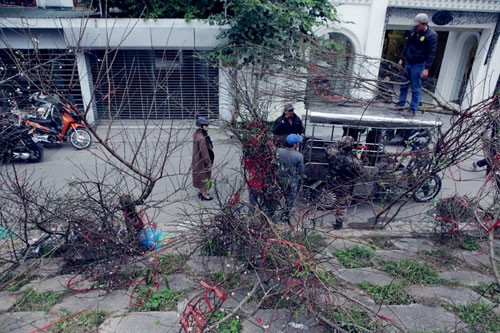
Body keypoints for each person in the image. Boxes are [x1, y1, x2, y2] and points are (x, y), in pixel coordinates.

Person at [395, 13, 438, 117]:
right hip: (408, 61)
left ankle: (413, 109)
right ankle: (401, 103)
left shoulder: (431, 36)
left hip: (419, 64)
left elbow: (431, 53)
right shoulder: (413, 31)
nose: (415, 27)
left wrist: (426, 68)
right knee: (403, 84)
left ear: (424, 24)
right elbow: (407, 45)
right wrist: (401, 58)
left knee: (415, 87)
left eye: (417, 26)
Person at [325, 136, 367, 229]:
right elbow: (361, 173)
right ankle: (338, 223)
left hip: (332, 181)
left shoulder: (332, 153)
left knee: (331, 199)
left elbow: (329, 147)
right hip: (345, 186)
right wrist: (358, 158)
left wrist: (340, 142)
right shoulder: (354, 161)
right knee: (341, 205)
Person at [276, 134, 305, 222]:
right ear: (295, 144)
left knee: (277, 196)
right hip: (291, 180)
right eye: (298, 143)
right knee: (290, 198)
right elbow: (301, 171)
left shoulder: (278, 151)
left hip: (278, 178)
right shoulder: (298, 156)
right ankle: (284, 216)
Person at [192, 117, 215, 201]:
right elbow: (204, 152)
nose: (207, 126)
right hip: (203, 161)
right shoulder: (202, 138)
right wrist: (208, 163)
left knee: (200, 176)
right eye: (205, 125)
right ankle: (204, 194)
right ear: (201, 126)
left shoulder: (196, 134)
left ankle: (201, 192)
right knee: (205, 176)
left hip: (197, 160)